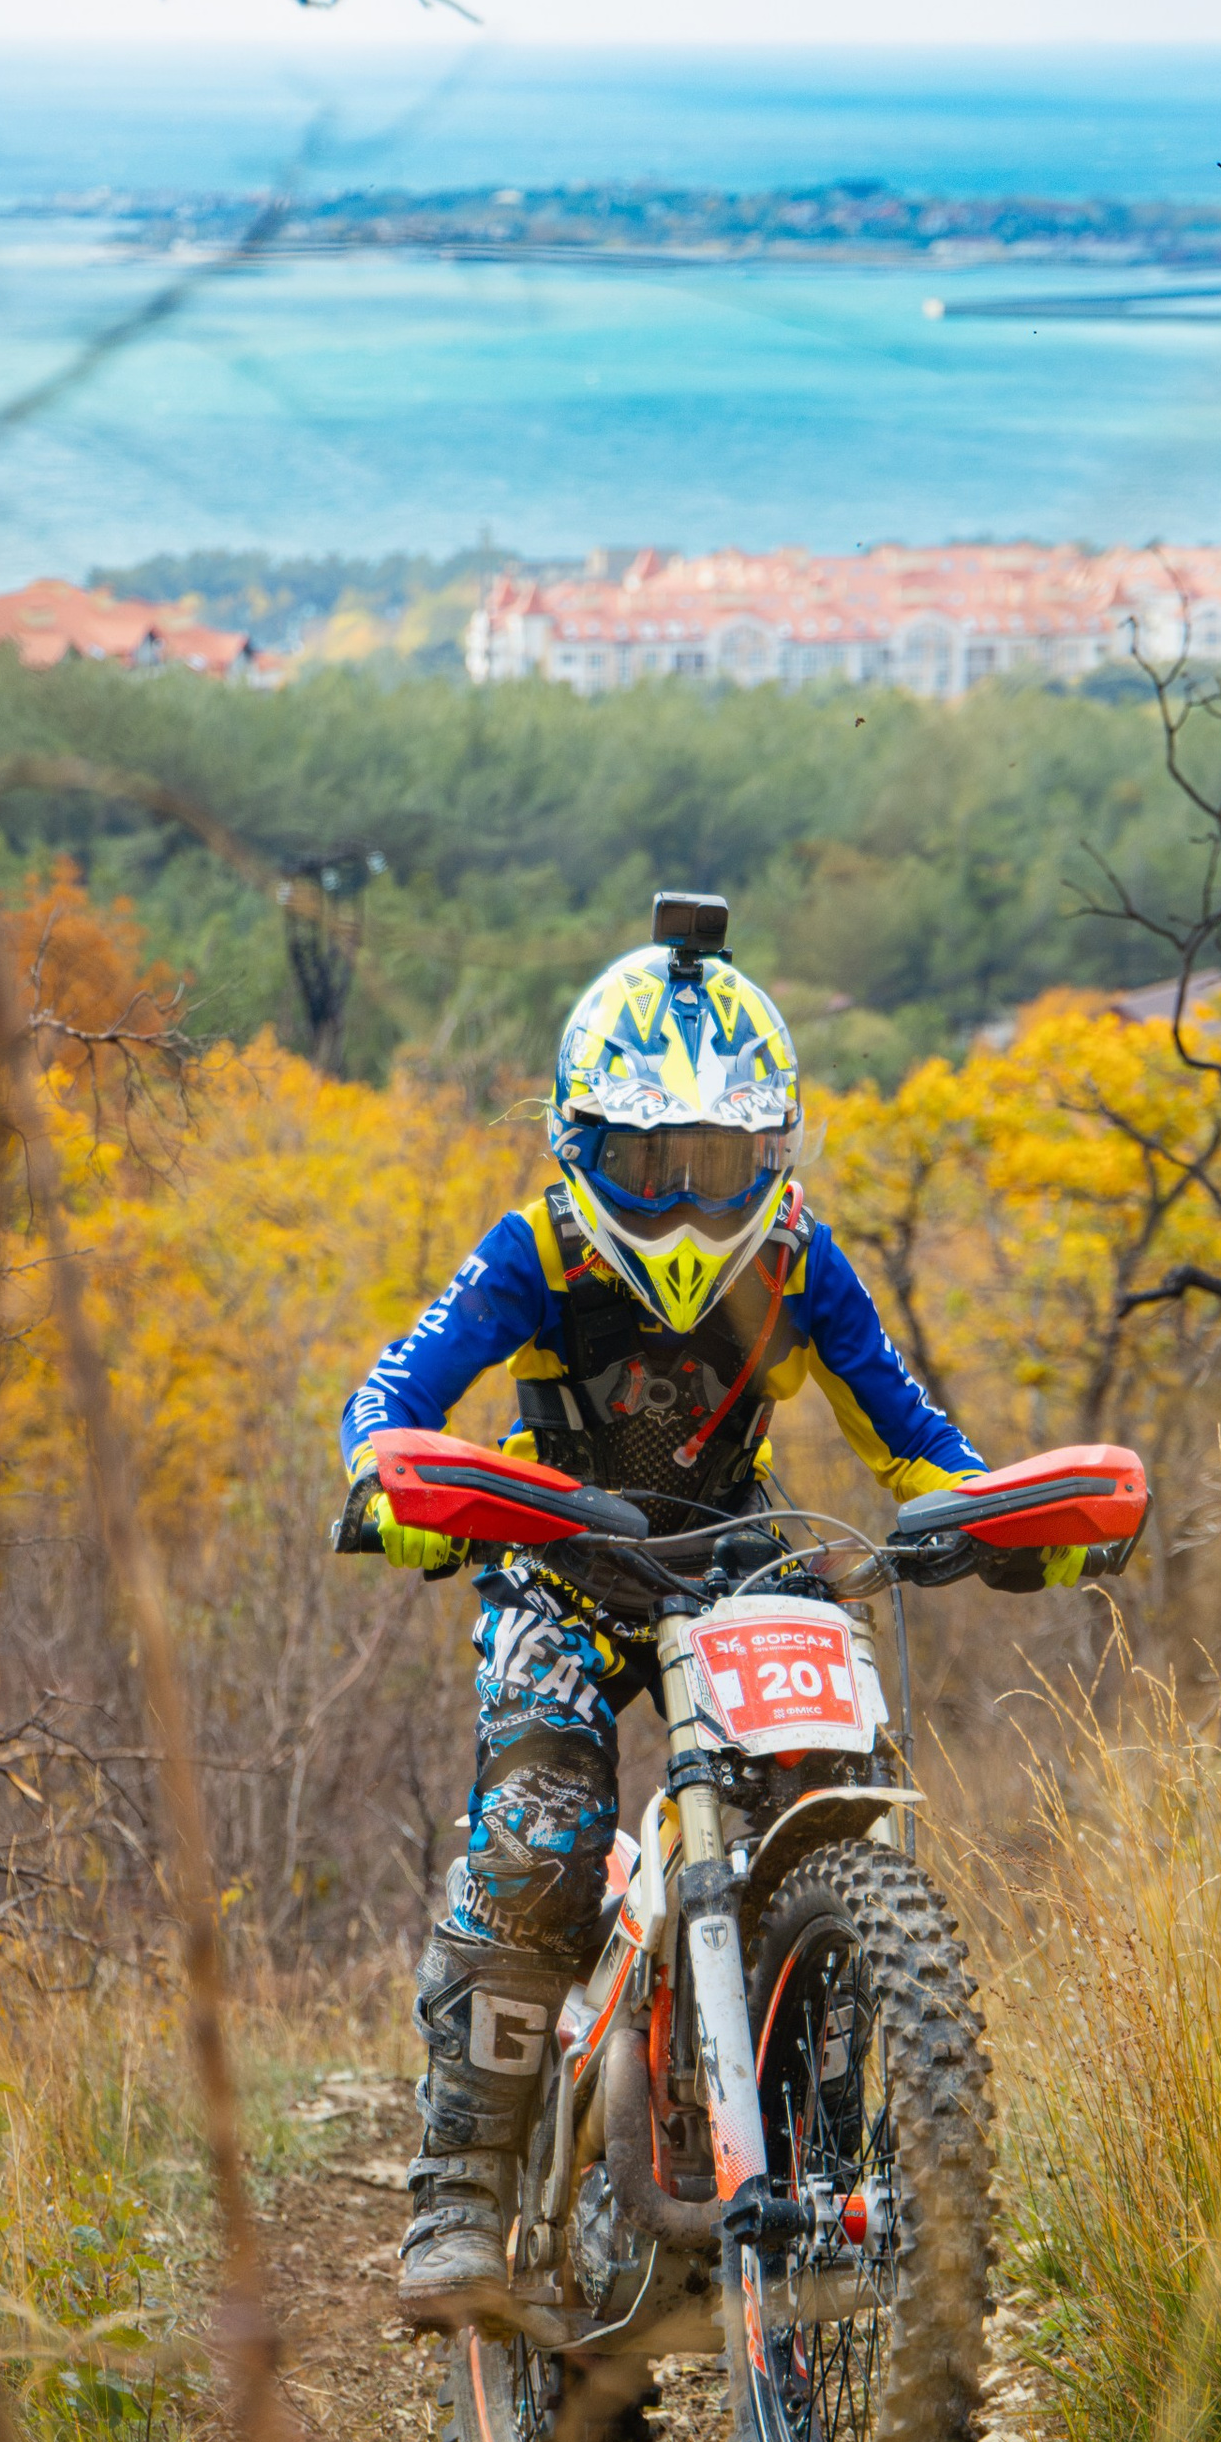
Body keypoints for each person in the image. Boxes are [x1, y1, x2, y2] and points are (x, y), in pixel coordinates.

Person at [340, 896, 1083, 2329]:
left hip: (739, 1555)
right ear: (584, 1144)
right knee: (544, 1830)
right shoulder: (539, 1252)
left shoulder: (800, 1261)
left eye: (718, 1161)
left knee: (829, 1792)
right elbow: (393, 1398)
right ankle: (459, 2189)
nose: (684, 1199)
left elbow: (918, 1444)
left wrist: (1005, 1526)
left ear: (771, 1151)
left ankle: (807, 2106)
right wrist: (389, 1485)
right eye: (649, 1160)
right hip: (560, 1558)